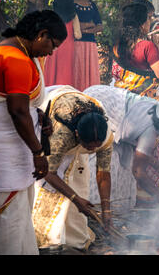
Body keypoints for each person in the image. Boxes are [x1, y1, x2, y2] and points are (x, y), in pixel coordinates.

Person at [0, 10, 66, 255]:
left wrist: (39, 116)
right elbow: (18, 111)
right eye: (52, 45)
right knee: (6, 226)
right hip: (4, 157)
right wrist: (38, 152)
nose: (51, 53)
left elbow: (20, 104)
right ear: (41, 34)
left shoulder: (12, 51)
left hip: (9, 155)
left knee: (16, 221)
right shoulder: (16, 59)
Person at [84, 85, 159, 211]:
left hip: (112, 105)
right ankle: (94, 210)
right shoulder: (151, 128)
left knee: (123, 170)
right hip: (100, 103)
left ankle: (118, 207)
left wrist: (157, 163)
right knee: (103, 162)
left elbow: (142, 157)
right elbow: (138, 171)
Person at [32, 86, 113, 251]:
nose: (91, 151)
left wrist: (106, 208)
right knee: (47, 192)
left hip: (78, 127)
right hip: (51, 131)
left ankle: (73, 241)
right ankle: (46, 241)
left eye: (95, 148)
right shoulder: (62, 136)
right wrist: (76, 200)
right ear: (77, 135)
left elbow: (103, 173)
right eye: (88, 147)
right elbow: (49, 173)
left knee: (78, 182)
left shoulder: (104, 136)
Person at [112, 3, 159, 100]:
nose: (150, 21)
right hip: (144, 99)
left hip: (121, 95)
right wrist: (157, 50)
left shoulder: (117, 44)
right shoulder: (147, 46)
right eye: (148, 18)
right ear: (142, 24)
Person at [70, 0, 102, 91]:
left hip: (90, 45)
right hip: (75, 44)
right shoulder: (70, 4)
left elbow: (100, 26)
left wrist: (85, 28)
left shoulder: (92, 5)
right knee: (77, 72)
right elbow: (71, 25)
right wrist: (90, 24)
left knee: (90, 73)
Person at [44, 0, 82, 87]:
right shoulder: (73, 16)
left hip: (53, 46)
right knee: (66, 70)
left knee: (52, 70)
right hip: (68, 47)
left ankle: (50, 91)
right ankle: (65, 91)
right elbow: (78, 35)